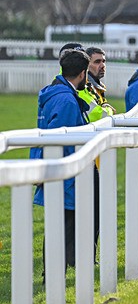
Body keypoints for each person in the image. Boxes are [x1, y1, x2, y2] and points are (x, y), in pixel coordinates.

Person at [31, 49, 94, 275]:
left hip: (53, 167)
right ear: (83, 73)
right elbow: (63, 140)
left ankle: (57, 271)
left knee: (60, 223)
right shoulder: (66, 99)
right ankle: (52, 274)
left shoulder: (54, 92)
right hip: (63, 171)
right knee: (63, 224)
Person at [79, 47, 116, 122]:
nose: (103, 65)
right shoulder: (81, 86)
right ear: (86, 65)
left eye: (103, 61)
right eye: (97, 62)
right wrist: (109, 110)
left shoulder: (97, 86)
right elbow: (97, 116)